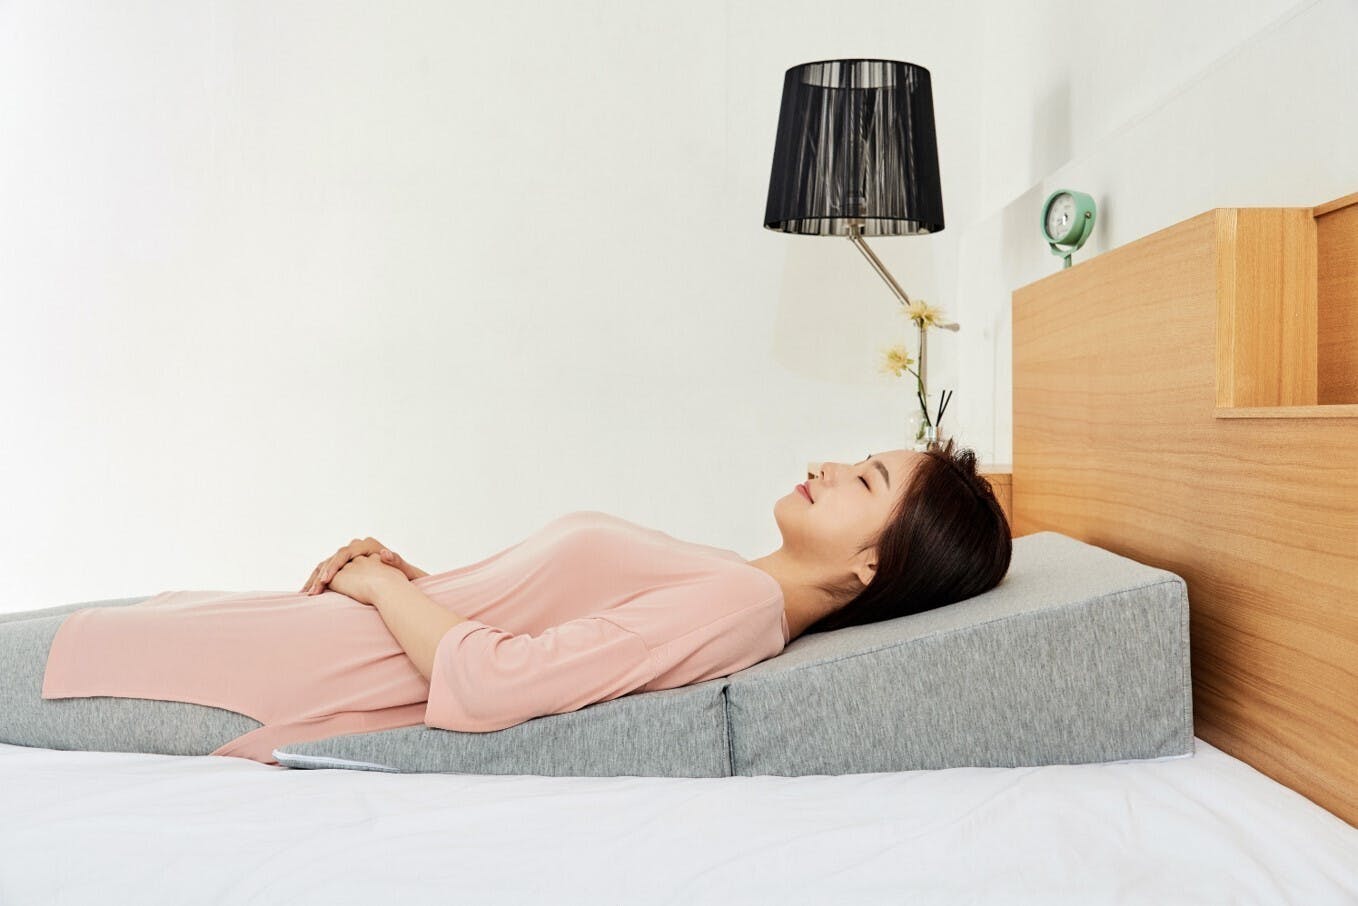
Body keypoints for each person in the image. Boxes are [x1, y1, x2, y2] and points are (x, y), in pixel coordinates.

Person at [3, 437, 1009, 765]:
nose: (827, 465)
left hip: (285, 677)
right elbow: (526, 626)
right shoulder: (730, 580)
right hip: (292, 636)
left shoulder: (736, 609)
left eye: (865, 481)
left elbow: (494, 684)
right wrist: (414, 581)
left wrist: (379, 587)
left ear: (871, 569)